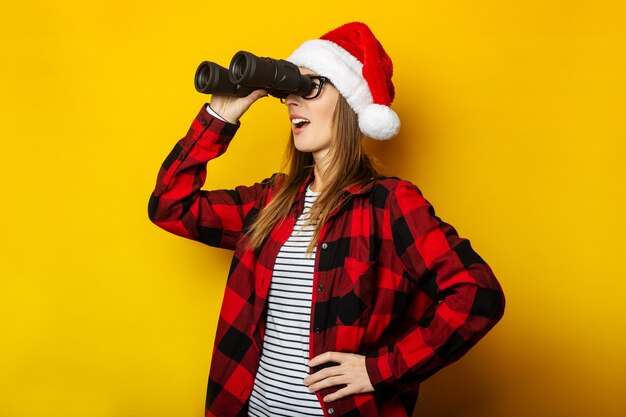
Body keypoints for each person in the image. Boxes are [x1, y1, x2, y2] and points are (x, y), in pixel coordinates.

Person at [148, 22, 504, 417]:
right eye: (289, 91)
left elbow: (478, 296)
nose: (291, 102)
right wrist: (221, 114)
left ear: (351, 103)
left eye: (310, 87)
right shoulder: (271, 200)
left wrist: (378, 370)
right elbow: (170, 205)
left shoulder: (389, 206)